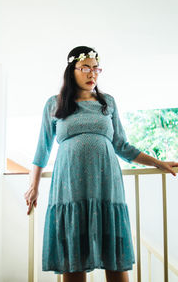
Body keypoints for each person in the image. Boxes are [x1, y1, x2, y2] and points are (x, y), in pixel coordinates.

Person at [24, 46, 178, 282]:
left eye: (96, 68)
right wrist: (33, 186)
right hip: (70, 191)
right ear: (71, 70)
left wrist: (158, 163)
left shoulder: (108, 102)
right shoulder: (54, 104)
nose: (92, 73)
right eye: (85, 68)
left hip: (106, 189)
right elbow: (42, 150)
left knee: (114, 260)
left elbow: (122, 146)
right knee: (73, 263)